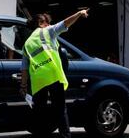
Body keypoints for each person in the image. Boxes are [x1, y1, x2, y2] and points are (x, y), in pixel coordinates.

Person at [20, 9, 89, 138]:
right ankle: (65, 135)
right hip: (52, 75)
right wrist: (79, 14)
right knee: (60, 108)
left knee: (39, 111)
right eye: (46, 22)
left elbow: (24, 68)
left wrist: (23, 86)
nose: (48, 24)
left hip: (38, 80)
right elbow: (65, 23)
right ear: (41, 23)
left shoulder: (26, 44)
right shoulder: (47, 31)